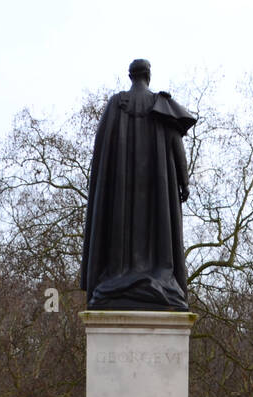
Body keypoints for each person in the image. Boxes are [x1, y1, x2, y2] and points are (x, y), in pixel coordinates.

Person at [81, 60, 196, 311]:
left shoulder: (115, 104)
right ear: (149, 76)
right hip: (157, 191)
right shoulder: (161, 104)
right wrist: (184, 181)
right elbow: (178, 147)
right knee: (158, 228)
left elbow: (101, 153)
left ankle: (118, 277)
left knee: (120, 227)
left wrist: (104, 187)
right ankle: (158, 278)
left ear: (130, 76)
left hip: (119, 191)